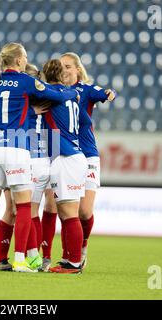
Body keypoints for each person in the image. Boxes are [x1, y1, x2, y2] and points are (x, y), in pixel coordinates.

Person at [0, 42, 78, 272]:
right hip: (15, 148)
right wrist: (74, 91)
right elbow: (54, 94)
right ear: (19, 60)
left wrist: (28, 110)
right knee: (22, 207)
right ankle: (21, 259)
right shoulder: (27, 81)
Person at [41, 52, 116, 270]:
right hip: (60, 152)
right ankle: (56, 256)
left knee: (83, 211)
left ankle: (80, 249)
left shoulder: (85, 90)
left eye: (68, 66)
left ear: (77, 70)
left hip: (86, 153)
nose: (64, 70)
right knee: (55, 204)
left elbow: (106, 93)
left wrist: (110, 93)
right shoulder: (55, 92)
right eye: (61, 66)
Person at [0, 63, 50, 272]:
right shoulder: (24, 106)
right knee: (18, 209)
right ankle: (23, 256)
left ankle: (26, 256)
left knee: (18, 209)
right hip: (16, 155)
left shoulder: (43, 102)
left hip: (29, 157)